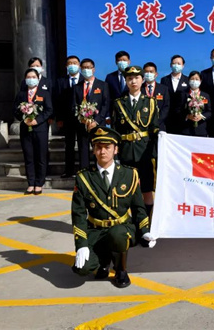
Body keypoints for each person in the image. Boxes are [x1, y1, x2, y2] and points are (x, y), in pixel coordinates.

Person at [71, 126, 154, 288]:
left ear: (116, 150)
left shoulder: (130, 174)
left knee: (117, 234)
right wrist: (81, 245)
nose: (102, 151)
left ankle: (121, 269)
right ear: (93, 150)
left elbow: (138, 207)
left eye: (107, 147)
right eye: (98, 147)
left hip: (121, 227)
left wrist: (145, 230)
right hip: (95, 229)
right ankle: (103, 261)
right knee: (82, 269)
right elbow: (78, 214)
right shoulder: (83, 177)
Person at [111, 66, 159, 231]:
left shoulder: (150, 102)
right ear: (126, 81)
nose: (133, 81)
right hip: (126, 152)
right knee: (126, 190)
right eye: (130, 78)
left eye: (136, 78)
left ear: (142, 80)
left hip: (144, 152)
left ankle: (148, 225)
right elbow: (116, 130)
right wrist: (115, 154)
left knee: (147, 190)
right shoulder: (119, 103)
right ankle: (130, 225)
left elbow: (154, 128)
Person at [13, 68, 53, 195]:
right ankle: (30, 183)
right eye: (28, 77)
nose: (31, 79)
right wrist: (23, 117)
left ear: (38, 79)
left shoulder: (44, 93)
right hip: (25, 129)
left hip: (40, 129)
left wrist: (37, 120)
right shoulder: (21, 94)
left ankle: (39, 183)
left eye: (33, 77)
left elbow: (49, 110)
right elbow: (15, 110)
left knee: (40, 156)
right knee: (28, 156)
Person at [73, 58, 111, 170]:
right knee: (83, 150)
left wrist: (96, 121)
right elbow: (73, 105)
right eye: (84, 68)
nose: (86, 70)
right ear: (81, 69)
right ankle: (84, 174)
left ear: (93, 69)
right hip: (82, 125)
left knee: (99, 149)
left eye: (89, 67)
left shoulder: (103, 85)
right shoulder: (77, 87)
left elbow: (105, 105)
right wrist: (82, 119)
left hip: (98, 125)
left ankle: (99, 173)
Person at [54, 55, 81, 178]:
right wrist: (59, 118)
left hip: (82, 119)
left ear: (79, 65)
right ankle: (69, 170)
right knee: (69, 145)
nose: (72, 65)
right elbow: (57, 101)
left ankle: (83, 170)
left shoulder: (84, 80)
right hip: (67, 119)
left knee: (82, 145)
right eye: (70, 63)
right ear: (66, 66)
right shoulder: (61, 81)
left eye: (74, 63)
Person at [161, 55, 189, 134]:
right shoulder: (164, 80)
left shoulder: (187, 80)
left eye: (179, 63)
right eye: (174, 63)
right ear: (170, 65)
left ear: (183, 65)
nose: (176, 65)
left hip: (183, 117)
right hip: (168, 116)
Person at [181, 71, 212, 137]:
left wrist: (201, 116)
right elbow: (178, 110)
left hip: (201, 130)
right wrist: (187, 116)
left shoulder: (205, 95)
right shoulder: (183, 94)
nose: (194, 81)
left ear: (200, 81)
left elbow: (209, 111)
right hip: (186, 130)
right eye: (192, 79)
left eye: (197, 79)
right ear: (188, 80)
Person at [141, 62, 170, 132]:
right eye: (146, 72)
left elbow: (166, 107)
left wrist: (157, 121)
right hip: (142, 125)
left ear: (156, 74)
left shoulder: (163, 89)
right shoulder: (139, 88)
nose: (149, 74)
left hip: (159, 126)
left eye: (151, 72)